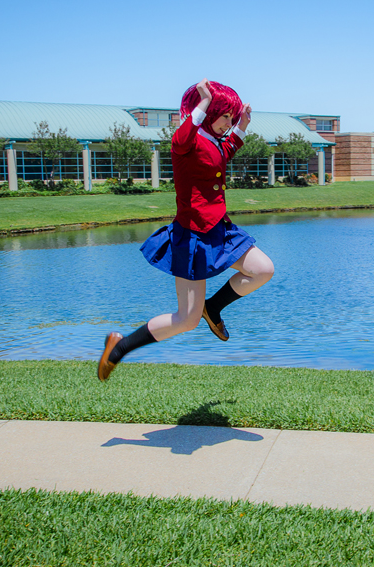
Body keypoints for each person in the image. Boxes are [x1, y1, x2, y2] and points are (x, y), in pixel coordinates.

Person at [97, 79, 274, 381]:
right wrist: (202, 103)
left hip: (220, 230)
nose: (228, 123)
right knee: (186, 320)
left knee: (263, 269)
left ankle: (212, 308)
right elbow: (182, 138)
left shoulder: (213, 141)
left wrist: (242, 125)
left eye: (231, 117)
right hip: (193, 237)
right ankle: (119, 347)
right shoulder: (186, 141)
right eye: (225, 116)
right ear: (210, 112)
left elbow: (225, 152)